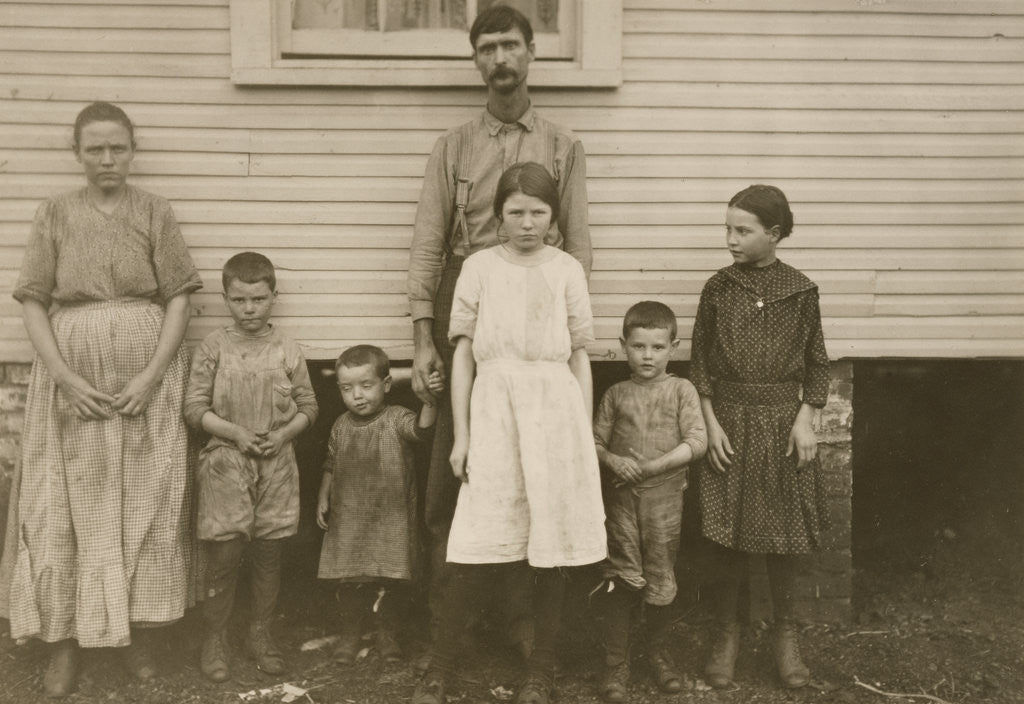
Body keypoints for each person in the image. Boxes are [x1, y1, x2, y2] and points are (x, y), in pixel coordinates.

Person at [407, 4, 591, 657]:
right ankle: (446, 630)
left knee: (532, 474)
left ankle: (522, 630)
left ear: (532, 51)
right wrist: (422, 336)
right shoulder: (452, 147)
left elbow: (577, 256)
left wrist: (568, 346)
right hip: (471, 314)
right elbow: (429, 249)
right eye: (487, 48)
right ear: (476, 58)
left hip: (536, 325)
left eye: (511, 45)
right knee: (453, 472)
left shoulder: (563, 146)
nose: (500, 60)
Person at [1, 101, 202, 697]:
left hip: (145, 383)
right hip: (72, 386)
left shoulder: (154, 212)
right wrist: (64, 377)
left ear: (133, 150)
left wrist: (150, 378)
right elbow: (34, 299)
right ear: (77, 153)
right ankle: (63, 639)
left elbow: (179, 299)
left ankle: (136, 632)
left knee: (145, 500)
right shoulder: (55, 214)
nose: (107, 159)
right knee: (59, 504)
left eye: (118, 148)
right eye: (95, 149)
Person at [411, 162, 606, 704]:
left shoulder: (567, 269)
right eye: (515, 212)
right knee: (474, 539)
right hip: (494, 409)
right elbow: (464, 355)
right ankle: (442, 665)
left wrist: (581, 437)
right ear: (498, 217)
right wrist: (463, 436)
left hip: (555, 412)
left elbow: (579, 355)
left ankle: (539, 672)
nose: (526, 224)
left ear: (553, 217)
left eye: (537, 213)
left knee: (549, 544)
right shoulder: (477, 268)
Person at [689, 185, 830, 690]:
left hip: (780, 424)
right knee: (726, 534)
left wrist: (805, 418)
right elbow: (701, 361)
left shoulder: (800, 291)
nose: (730, 239)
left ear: (773, 235)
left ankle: (785, 636)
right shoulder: (719, 288)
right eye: (727, 229)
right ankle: (726, 633)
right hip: (728, 420)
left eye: (742, 231)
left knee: (785, 535)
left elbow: (816, 363)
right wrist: (709, 420)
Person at [183, 252, 318, 682]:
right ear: (226, 299)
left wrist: (282, 435)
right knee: (225, 551)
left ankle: (259, 633)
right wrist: (236, 434)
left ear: (273, 297)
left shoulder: (287, 348)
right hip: (226, 460)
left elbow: (309, 406)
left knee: (268, 551)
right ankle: (215, 636)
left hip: (277, 461)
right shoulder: (214, 346)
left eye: (258, 300)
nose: (249, 310)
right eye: (239, 301)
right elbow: (193, 408)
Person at [592, 301, 707, 702]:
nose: (647, 356)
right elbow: (593, 443)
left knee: (660, 575)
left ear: (673, 347)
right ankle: (615, 664)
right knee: (622, 576)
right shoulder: (616, 393)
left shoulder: (681, 390)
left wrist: (655, 466)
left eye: (658, 347)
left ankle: (658, 654)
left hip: (664, 502)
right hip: (622, 502)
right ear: (623, 345)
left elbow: (697, 442)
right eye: (638, 346)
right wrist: (613, 461)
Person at [316, 345, 442, 665]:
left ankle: (389, 634)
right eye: (347, 388)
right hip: (350, 518)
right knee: (351, 578)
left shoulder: (397, 418)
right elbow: (331, 463)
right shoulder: (340, 425)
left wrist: (429, 401)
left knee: (392, 577)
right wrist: (322, 496)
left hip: (390, 517)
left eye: (366, 385)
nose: (357, 395)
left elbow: (422, 433)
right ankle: (350, 633)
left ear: (386, 384)